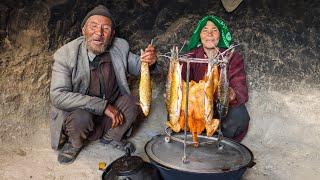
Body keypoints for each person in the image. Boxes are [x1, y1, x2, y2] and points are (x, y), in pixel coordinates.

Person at [49, 5, 157, 164]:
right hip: (82, 116)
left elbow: (138, 66)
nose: (98, 33)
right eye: (93, 26)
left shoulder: (120, 46)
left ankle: (111, 137)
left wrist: (149, 62)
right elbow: (58, 96)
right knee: (81, 117)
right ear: (83, 30)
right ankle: (74, 143)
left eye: (105, 29)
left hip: (111, 118)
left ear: (112, 34)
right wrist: (103, 106)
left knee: (133, 102)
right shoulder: (65, 54)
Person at [181, 16, 250, 142]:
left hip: (221, 109)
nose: (209, 34)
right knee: (176, 105)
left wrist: (231, 94)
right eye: (205, 30)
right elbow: (181, 81)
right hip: (197, 108)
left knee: (239, 115)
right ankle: (194, 135)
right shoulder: (190, 57)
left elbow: (240, 87)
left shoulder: (232, 57)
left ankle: (221, 141)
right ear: (200, 36)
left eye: (214, 30)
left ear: (220, 35)